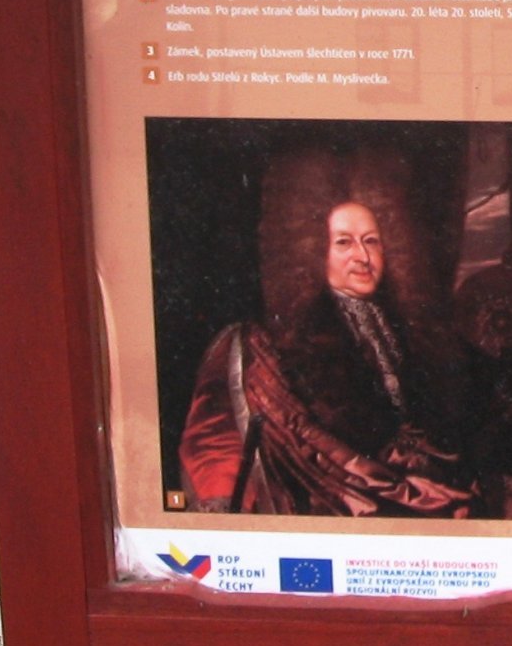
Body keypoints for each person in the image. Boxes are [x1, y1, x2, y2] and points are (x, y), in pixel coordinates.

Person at [178, 200, 476, 516]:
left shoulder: (398, 321)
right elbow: (290, 438)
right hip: (341, 492)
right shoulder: (274, 338)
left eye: (371, 241)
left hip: (413, 475)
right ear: (315, 252)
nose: (362, 257)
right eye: (344, 242)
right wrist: (397, 479)